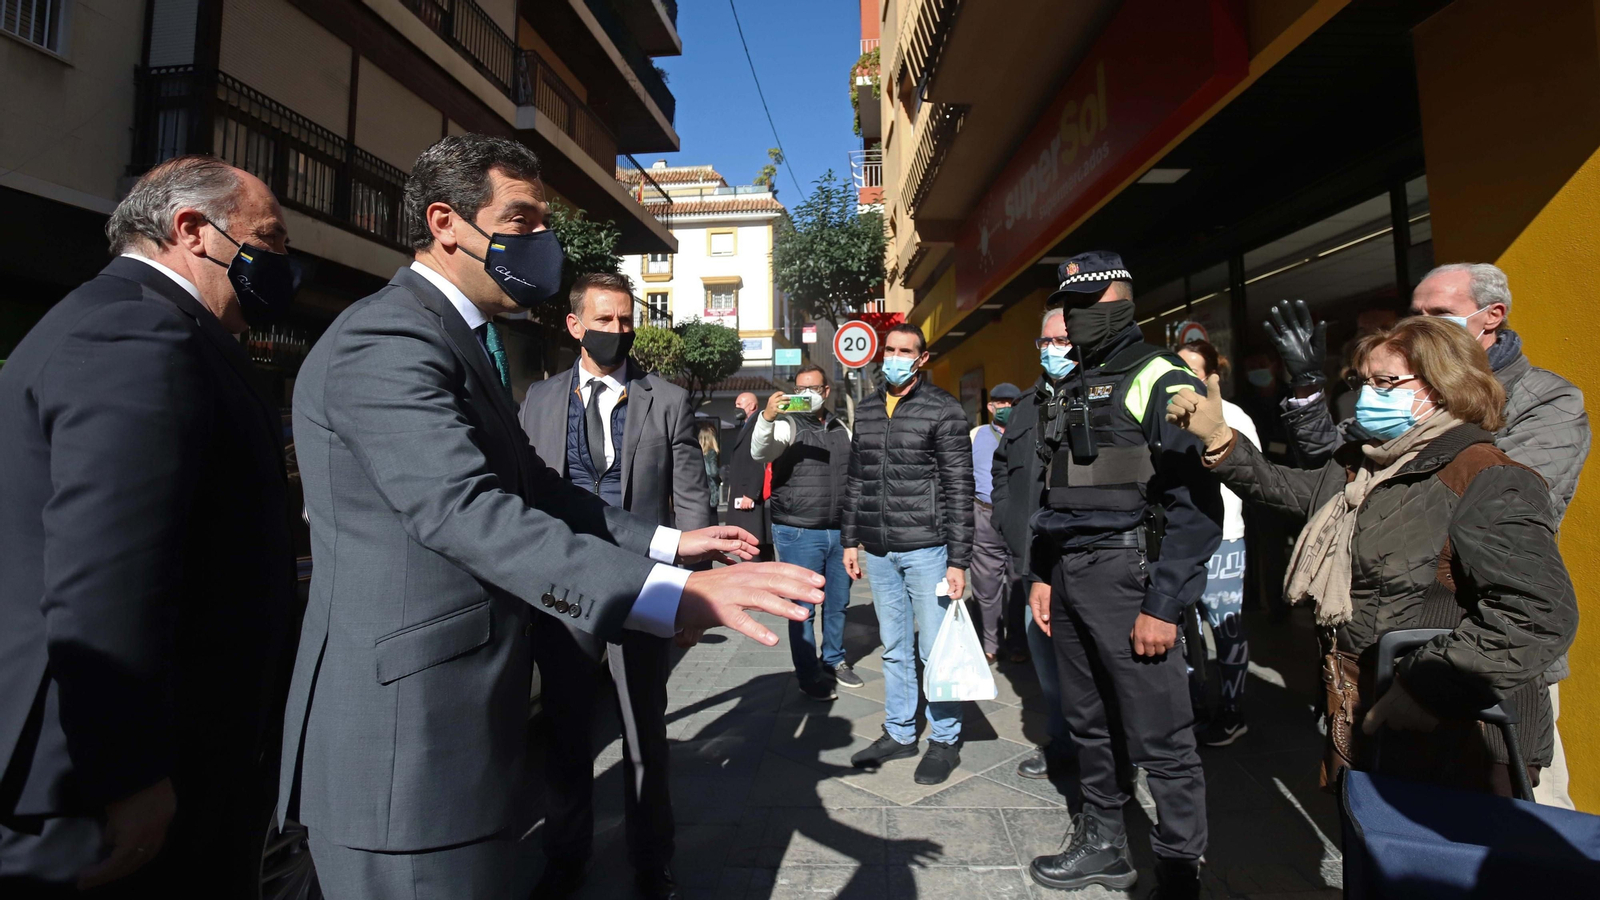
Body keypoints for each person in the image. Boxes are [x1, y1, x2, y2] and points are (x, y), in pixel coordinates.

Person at [276, 134, 824, 900]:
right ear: (446, 223)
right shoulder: (389, 338)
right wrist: (671, 595)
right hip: (404, 752)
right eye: (523, 219)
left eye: (544, 222)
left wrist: (674, 544)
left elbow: (539, 488)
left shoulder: (463, 341)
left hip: (456, 743)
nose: (543, 242)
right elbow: (468, 510)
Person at [0, 156, 300, 894]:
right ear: (193, 230)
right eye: (269, 238)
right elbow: (108, 573)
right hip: (112, 788)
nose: (283, 263)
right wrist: (127, 773)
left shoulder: (142, 322)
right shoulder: (137, 330)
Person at [1169, 315, 1579, 798]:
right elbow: (1288, 490)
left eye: (1386, 383)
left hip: (1458, 736)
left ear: (1445, 386)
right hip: (1365, 710)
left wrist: (1425, 689)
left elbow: (1538, 615)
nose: (1369, 395)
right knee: (1371, 841)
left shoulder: (1486, 477)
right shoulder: (1363, 463)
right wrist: (1220, 439)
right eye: (1363, 381)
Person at [1266, 265, 1589, 808]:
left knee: (1521, 823)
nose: (1420, 323)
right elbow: (1337, 473)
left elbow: (1497, 503)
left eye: (1439, 313)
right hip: (1397, 652)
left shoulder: (1544, 399)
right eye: (1415, 313)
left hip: (1489, 658)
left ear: (1492, 316)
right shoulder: (1401, 389)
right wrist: (1307, 390)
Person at [1024, 252, 1221, 900]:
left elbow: (1197, 507)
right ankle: (1105, 844)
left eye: (1089, 304)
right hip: (1069, 571)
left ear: (1124, 303)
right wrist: (1044, 573)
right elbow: (1055, 490)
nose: (1075, 317)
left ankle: (1179, 870)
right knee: (1088, 722)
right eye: (1068, 305)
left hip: (1127, 575)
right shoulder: (1076, 382)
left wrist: (1163, 603)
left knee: (1161, 734)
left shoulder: (1160, 377)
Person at [517, 272, 716, 899]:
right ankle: (565, 857)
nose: (618, 330)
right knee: (566, 731)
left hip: (645, 585)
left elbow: (691, 500)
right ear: (575, 325)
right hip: (563, 584)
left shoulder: (668, 399)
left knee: (643, 732)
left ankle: (651, 861)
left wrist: (695, 596)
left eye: (626, 320)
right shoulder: (539, 399)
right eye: (604, 320)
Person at [842, 323, 975, 786]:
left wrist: (959, 559)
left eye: (905, 351)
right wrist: (850, 540)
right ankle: (899, 731)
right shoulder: (868, 408)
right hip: (879, 551)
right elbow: (856, 479)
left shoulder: (943, 409)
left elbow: (960, 488)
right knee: (895, 648)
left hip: (928, 549)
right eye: (890, 350)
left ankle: (944, 739)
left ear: (922, 358)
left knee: (936, 648)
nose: (895, 358)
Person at [989, 311, 1076, 781]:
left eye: (1063, 340)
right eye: (1046, 342)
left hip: (1087, 562)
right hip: (1033, 561)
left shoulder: (1101, 396)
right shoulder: (1024, 405)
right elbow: (1001, 468)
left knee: (1089, 667)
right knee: (1047, 667)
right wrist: (1007, 519)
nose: (1053, 350)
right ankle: (1062, 743)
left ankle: (1104, 751)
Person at [751, 364, 859, 701]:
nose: (807, 394)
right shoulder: (787, 424)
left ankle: (834, 659)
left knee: (838, 602)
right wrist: (767, 417)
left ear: (826, 391)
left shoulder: (841, 427)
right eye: (800, 389)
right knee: (803, 608)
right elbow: (760, 451)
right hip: (798, 531)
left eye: (813, 388)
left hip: (839, 531)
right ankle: (808, 675)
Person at [1175, 341, 1261, 746]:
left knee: (1226, 629)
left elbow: (1254, 474)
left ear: (1211, 376)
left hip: (1223, 539)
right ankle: (1193, 707)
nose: (1182, 376)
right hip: (1180, 541)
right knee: (1185, 631)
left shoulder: (1235, 415)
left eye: (1192, 369)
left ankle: (1232, 712)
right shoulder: (1168, 413)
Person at [969, 382, 1025, 663]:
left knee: (1018, 582)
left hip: (1019, 517)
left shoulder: (1029, 432)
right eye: (1000, 403)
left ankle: (1018, 643)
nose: (1005, 408)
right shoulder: (976, 435)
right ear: (991, 407)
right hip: (984, 514)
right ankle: (991, 644)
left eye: (1011, 403)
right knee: (986, 585)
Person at [724, 392, 771, 556]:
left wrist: (750, 494)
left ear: (752, 406)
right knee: (753, 547)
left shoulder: (757, 425)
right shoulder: (746, 425)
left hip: (749, 500)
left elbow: (759, 461)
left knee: (752, 547)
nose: (736, 408)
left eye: (740, 404)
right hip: (743, 496)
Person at [697, 420, 723, 515]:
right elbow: (713, 472)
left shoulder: (696, 453)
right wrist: (719, 479)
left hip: (699, 490)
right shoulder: (711, 453)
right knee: (712, 517)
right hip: (710, 490)